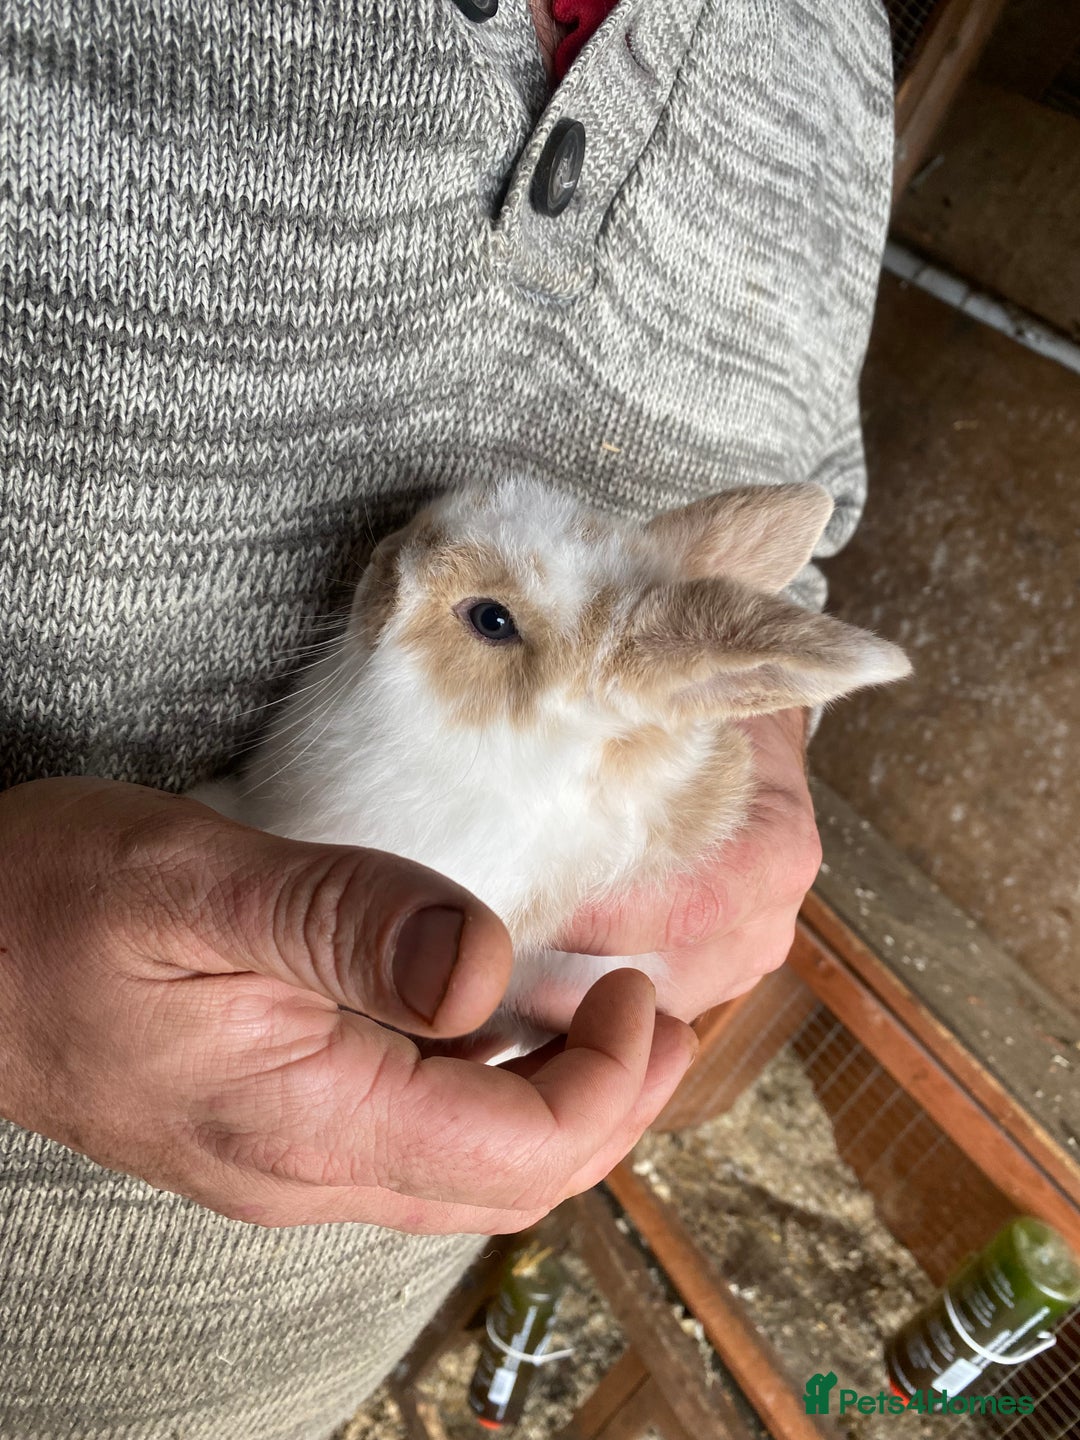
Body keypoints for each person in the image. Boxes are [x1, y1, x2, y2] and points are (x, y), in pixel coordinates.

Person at [0, 0, 893, 1435]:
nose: (400, 564)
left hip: (304, 1355)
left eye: (479, 616)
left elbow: (806, 523)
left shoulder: (833, 40)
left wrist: (746, 775)